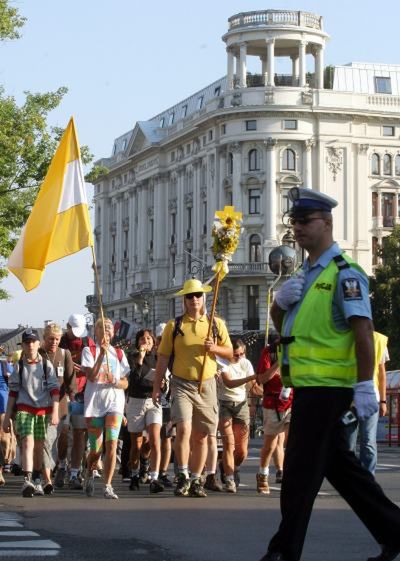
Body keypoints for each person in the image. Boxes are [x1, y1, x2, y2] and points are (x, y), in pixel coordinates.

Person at [259, 187, 400, 561]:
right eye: (294, 222)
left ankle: (282, 552)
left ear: (327, 223)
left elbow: (363, 329)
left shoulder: (344, 274)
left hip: (330, 387)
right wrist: (278, 304)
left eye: (305, 221)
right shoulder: (304, 276)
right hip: (307, 385)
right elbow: (285, 328)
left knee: (299, 475)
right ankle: (394, 530)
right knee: (342, 469)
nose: (298, 228)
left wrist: (366, 384)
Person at [153, 278, 232, 498]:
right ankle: (182, 475)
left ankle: (197, 479)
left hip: (206, 385)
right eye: (189, 296)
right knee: (184, 429)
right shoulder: (174, 326)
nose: (194, 300)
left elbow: (231, 353)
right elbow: (162, 358)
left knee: (202, 434)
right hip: (181, 384)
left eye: (197, 295)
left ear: (204, 298)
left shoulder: (216, 324)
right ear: (184, 300)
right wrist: (157, 387)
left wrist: (214, 347)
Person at [3, 329, 59, 497]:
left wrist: (55, 412)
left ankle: (37, 478)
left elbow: (55, 390)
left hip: (43, 410)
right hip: (24, 409)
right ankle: (27, 479)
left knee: (39, 446)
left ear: (38, 343)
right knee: (27, 442)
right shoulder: (19, 366)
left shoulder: (45, 365)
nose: (30, 345)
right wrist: (7, 418)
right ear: (24, 345)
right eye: (27, 342)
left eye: (33, 342)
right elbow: (12, 393)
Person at [81, 317, 129, 499]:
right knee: (96, 450)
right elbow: (91, 377)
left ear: (113, 332)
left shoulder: (119, 354)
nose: (106, 331)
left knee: (112, 444)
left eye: (109, 328)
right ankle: (89, 471)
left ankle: (107, 485)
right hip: (95, 405)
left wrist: (115, 380)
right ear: (96, 331)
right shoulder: (89, 350)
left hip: (114, 404)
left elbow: (125, 383)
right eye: (102, 328)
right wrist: (101, 354)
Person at [58, 313, 95, 489]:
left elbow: (96, 367)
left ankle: (74, 473)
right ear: (67, 326)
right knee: (63, 432)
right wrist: (66, 367)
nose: (77, 335)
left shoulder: (88, 342)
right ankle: (61, 464)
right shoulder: (60, 342)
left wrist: (86, 370)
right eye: (74, 331)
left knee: (80, 433)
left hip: (81, 393)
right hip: (62, 393)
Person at [39, 323, 75, 494]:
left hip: (61, 403)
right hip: (43, 404)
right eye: (51, 339)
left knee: (63, 437)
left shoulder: (64, 353)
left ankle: (61, 464)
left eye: (57, 339)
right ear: (45, 338)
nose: (54, 342)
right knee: (47, 440)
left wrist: (73, 394)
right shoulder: (38, 354)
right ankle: (47, 476)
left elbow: (70, 378)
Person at [126, 328, 164, 493]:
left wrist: (163, 384)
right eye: (142, 339)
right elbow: (134, 378)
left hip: (153, 401)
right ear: (138, 342)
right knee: (136, 444)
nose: (146, 341)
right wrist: (140, 359)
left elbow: (164, 377)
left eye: (149, 338)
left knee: (154, 440)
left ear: (154, 342)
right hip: (135, 402)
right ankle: (134, 474)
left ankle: (153, 477)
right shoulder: (132, 358)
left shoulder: (158, 359)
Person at [347, 331, 389, 474]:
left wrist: (383, 400)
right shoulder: (344, 336)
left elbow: (381, 373)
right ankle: (352, 476)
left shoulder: (379, 339)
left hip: (371, 399)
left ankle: (368, 476)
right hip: (348, 402)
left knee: (368, 441)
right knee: (348, 443)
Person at [218, 339, 256, 493]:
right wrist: (250, 379)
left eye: (242, 354)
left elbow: (254, 387)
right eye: (235, 355)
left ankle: (230, 466)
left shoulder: (246, 363)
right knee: (229, 443)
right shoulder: (222, 362)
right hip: (224, 403)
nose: (239, 357)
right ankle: (229, 479)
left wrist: (262, 389)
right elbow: (229, 383)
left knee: (241, 452)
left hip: (241, 405)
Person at [256, 340, 292, 495]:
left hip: (293, 402)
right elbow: (262, 379)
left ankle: (289, 474)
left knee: (293, 442)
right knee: (270, 444)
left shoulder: (299, 347)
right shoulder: (269, 352)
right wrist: (278, 363)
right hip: (273, 403)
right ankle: (263, 474)